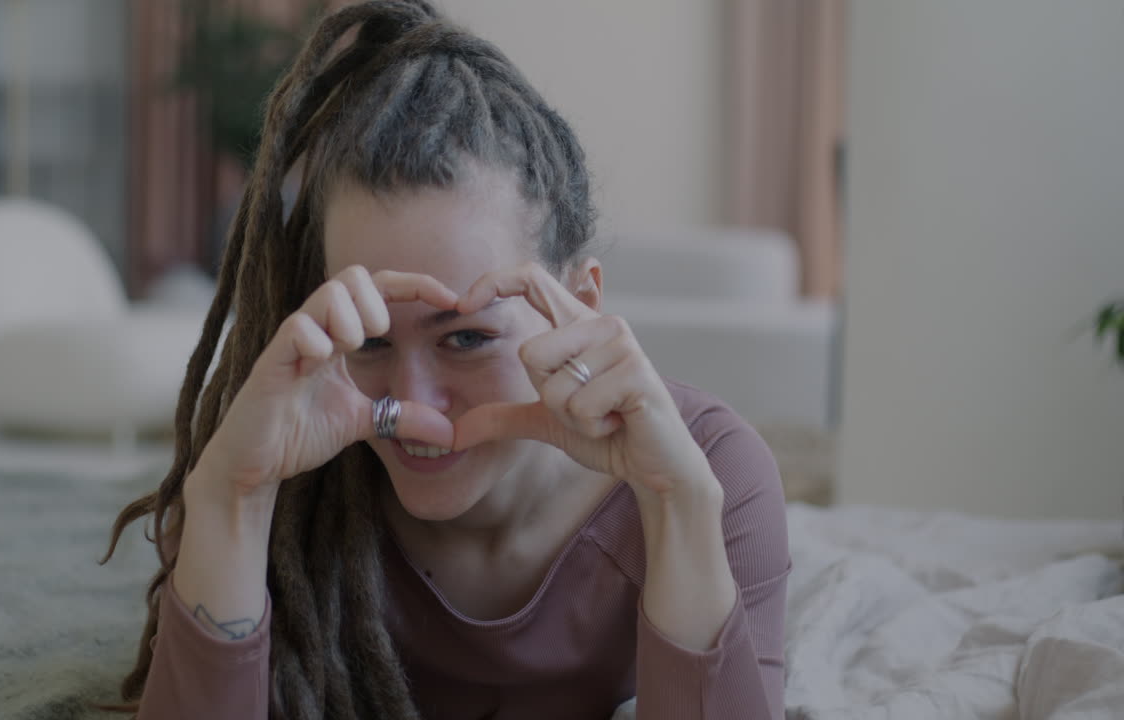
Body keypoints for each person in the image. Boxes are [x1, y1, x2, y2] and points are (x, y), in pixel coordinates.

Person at [101, 1, 791, 718]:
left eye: (466, 338)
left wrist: (677, 508)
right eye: (369, 341)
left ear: (578, 305)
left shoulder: (712, 476)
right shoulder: (280, 470)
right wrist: (230, 498)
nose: (415, 409)